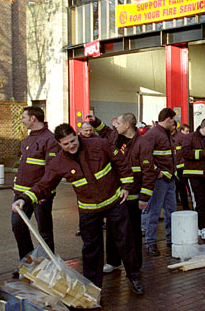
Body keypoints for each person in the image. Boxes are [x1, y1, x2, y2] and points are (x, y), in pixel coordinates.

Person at [12, 124, 144, 295]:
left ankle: (134, 277)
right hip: (88, 209)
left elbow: (122, 163)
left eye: (72, 141)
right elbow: (44, 184)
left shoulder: (99, 145)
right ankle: (92, 288)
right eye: (65, 144)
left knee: (125, 241)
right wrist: (24, 199)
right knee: (91, 250)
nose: (71, 146)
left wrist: (126, 186)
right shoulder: (59, 162)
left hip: (114, 202)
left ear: (77, 135)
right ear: (59, 145)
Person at [87, 112, 149, 273]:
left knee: (133, 233)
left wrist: (144, 197)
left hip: (133, 197)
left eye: (118, 123)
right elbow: (106, 131)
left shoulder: (142, 144)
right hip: (115, 195)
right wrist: (95, 122)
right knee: (113, 230)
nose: (116, 125)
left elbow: (149, 173)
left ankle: (136, 264)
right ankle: (113, 262)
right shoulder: (116, 137)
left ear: (127, 125)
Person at [11, 106, 60, 273]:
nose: (22, 120)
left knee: (44, 232)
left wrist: (43, 193)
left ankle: (47, 267)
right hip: (21, 194)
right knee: (18, 226)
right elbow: (24, 167)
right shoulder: (27, 140)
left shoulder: (50, 140)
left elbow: (51, 171)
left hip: (40, 196)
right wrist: (16, 188)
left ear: (33, 118)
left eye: (24, 117)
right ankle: (27, 265)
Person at [140, 108, 178, 256]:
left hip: (169, 178)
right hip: (159, 180)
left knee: (171, 211)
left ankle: (171, 239)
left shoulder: (165, 134)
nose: (174, 123)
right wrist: (157, 172)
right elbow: (144, 157)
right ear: (168, 119)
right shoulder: (153, 134)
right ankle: (150, 243)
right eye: (173, 120)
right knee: (153, 212)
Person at [181, 118, 205, 239]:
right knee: (198, 201)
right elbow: (185, 152)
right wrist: (203, 154)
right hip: (194, 175)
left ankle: (203, 226)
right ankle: (200, 227)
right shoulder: (191, 137)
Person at [172, 123, 191, 210]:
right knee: (174, 189)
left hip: (182, 168)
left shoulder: (181, 137)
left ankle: (186, 207)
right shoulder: (165, 137)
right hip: (171, 168)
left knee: (183, 188)